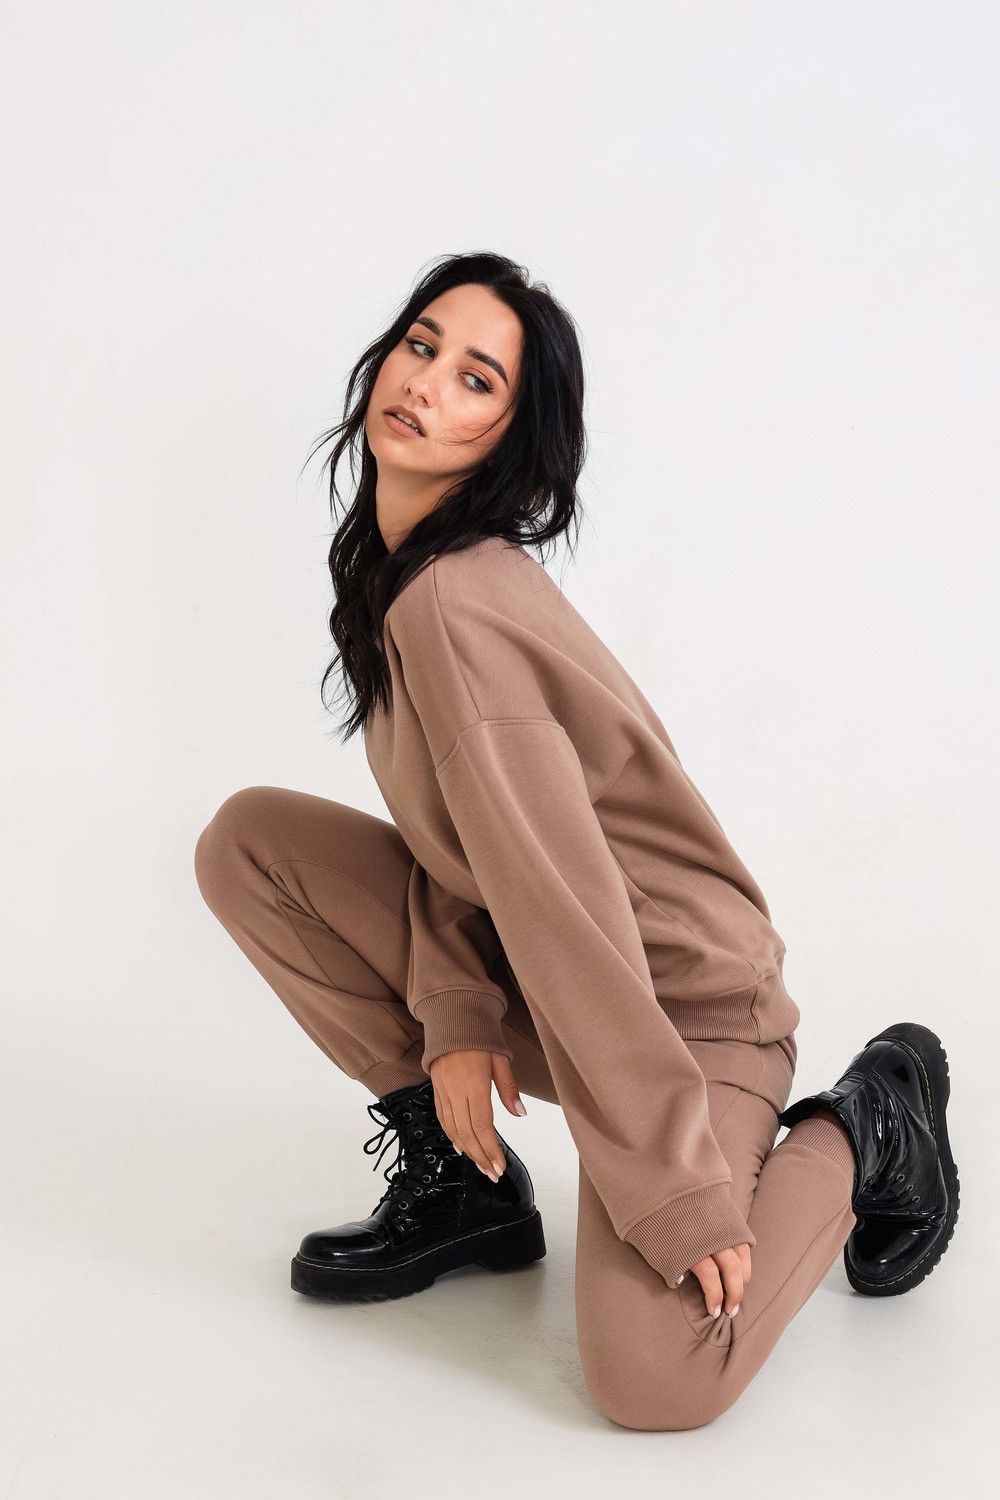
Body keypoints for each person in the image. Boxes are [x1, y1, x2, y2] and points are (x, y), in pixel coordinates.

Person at [193, 251, 959, 1430]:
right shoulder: (406, 579)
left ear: (511, 437)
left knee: (656, 1380)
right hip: (567, 977)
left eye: (476, 378)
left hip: (687, 1011)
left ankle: (867, 1124)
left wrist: (675, 1189)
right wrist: (454, 1015)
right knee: (254, 844)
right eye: (421, 346)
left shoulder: (453, 605)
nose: (426, 383)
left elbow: (564, 904)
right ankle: (464, 1188)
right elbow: (465, 845)